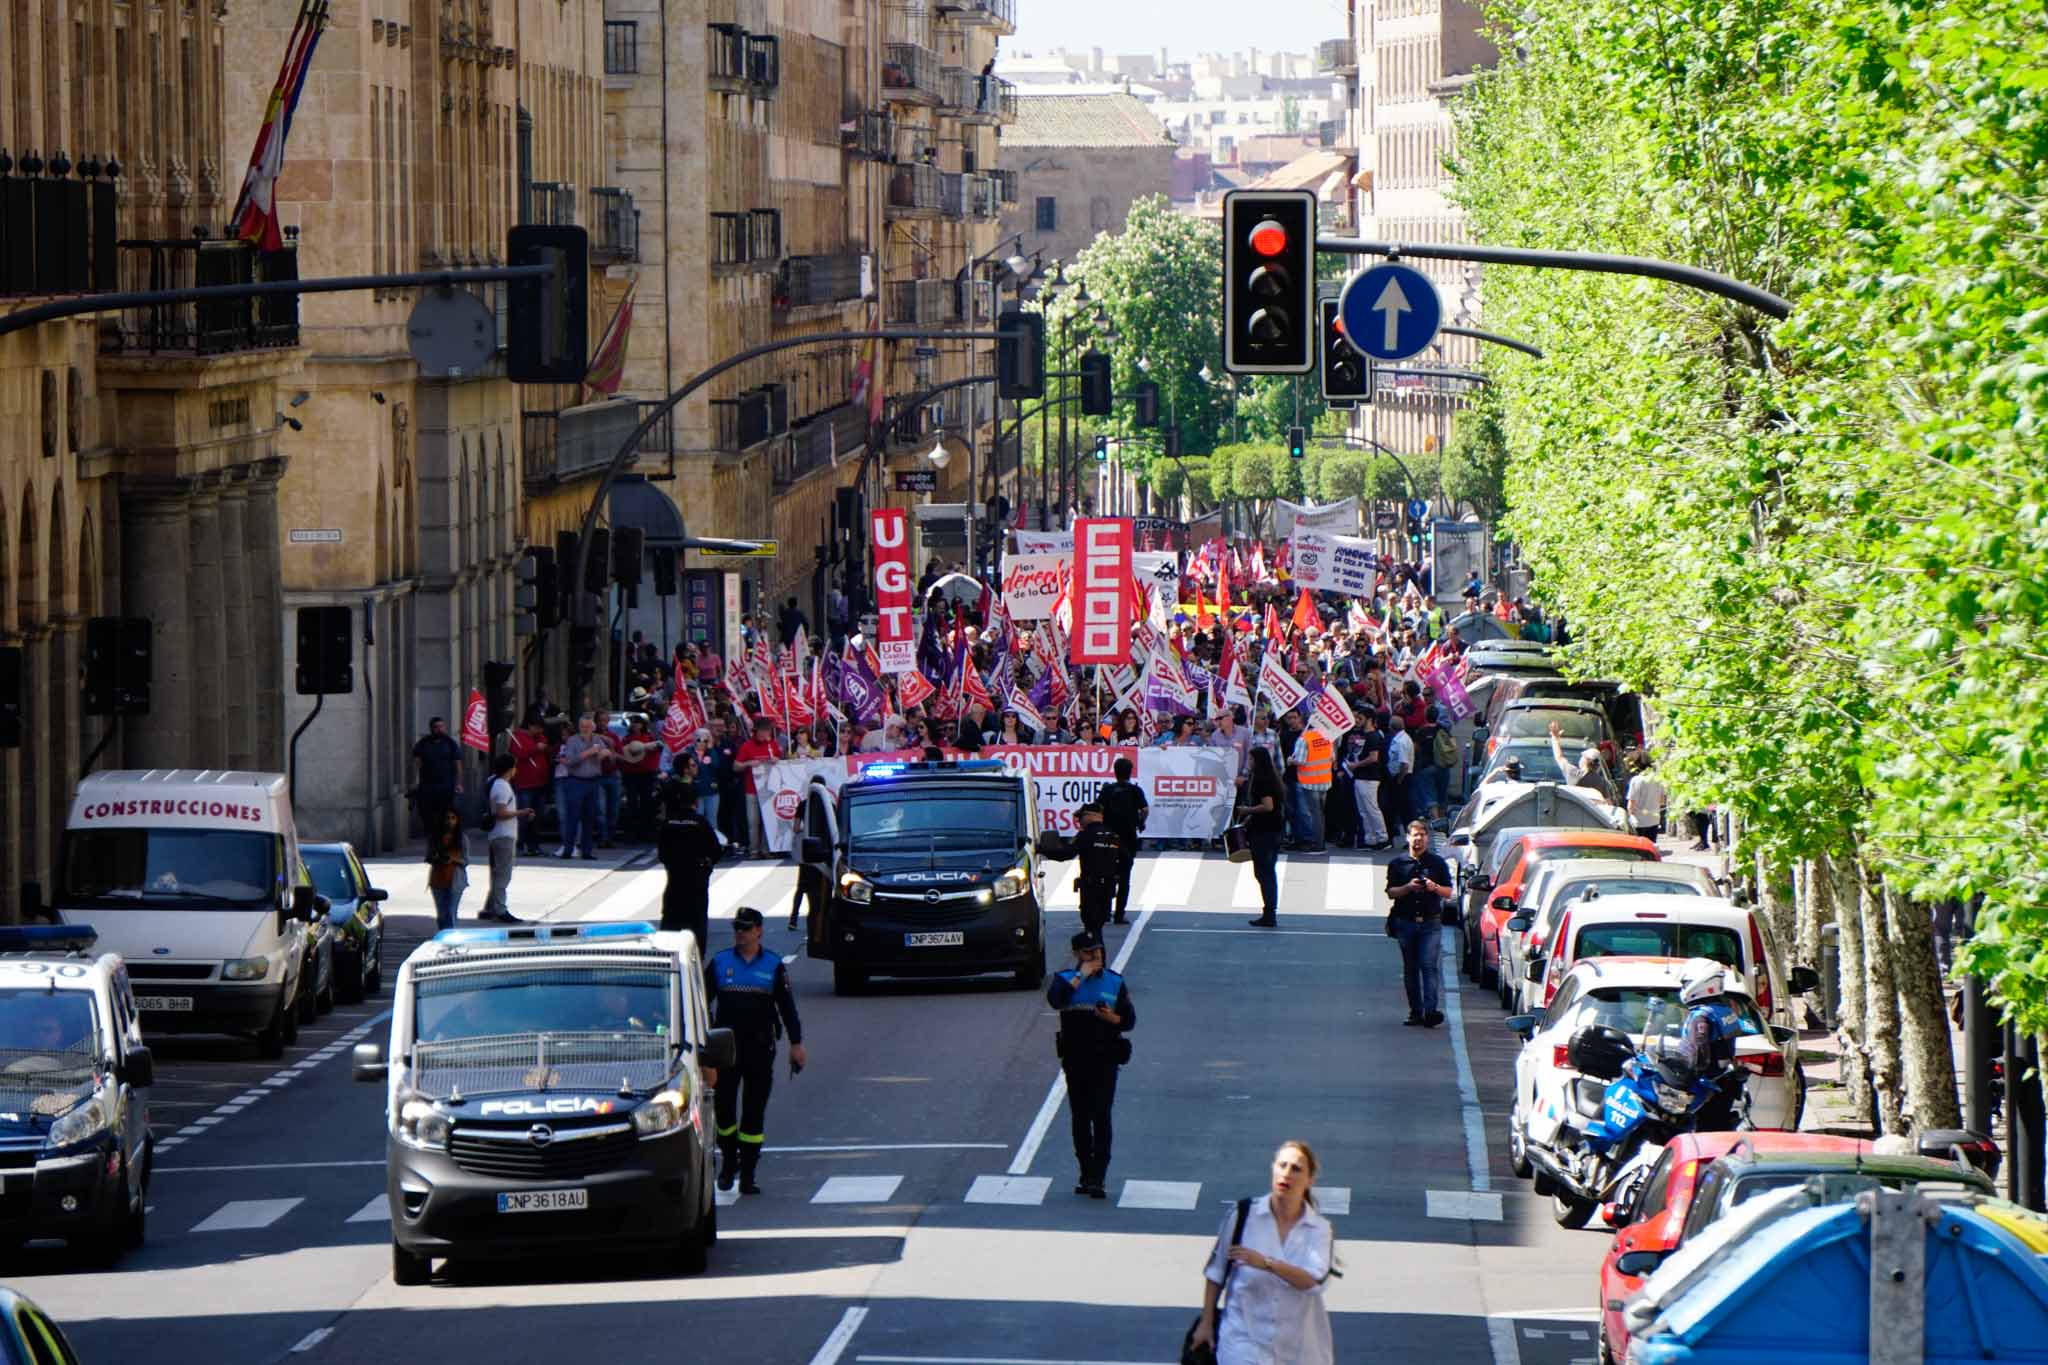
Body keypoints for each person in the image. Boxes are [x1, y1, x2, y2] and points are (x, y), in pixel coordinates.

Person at [1190, 1140, 1336, 1365]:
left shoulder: (1318, 1230)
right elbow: (1216, 1272)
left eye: (1296, 1168)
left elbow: (1313, 1281)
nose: (1286, 1173)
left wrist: (1268, 1263)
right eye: (1282, 1165)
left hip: (1296, 1349)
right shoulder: (1243, 1216)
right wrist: (1206, 1323)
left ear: (1309, 1180)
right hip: (1242, 1342)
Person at [704, 907, 806, 1195]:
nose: (740, 932)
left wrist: (797, 1045)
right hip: (726, 1050)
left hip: (761, 1048)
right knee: (724, 1111)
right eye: (737, 927)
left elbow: (787, 1007)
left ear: (759, 931)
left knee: (753, 1113)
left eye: (746, 928)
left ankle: (748, 1173)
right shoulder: (721, 962)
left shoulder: (773, 965)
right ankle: (728, 1163)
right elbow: (701, 1003)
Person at [1045, 929, 1136, 1198]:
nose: (1096, 956)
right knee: (1081, 1117)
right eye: (1089, 952)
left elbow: (1129, 1021)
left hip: (1105, 1059)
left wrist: (1111, 1019)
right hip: (1075, 1059)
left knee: (1102, 1114)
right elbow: (1056, 1001)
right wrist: (1080, 976)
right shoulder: (1065, 980)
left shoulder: (1114, 982)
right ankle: (1085, 1171)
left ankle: (1099, 1176)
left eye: (1098, 951)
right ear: (1077, 954)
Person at [1385, 820, 1453, 1027]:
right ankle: (1416, 1011)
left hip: (1430, 923)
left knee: (1428, 965)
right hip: (1406, 922)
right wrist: (1408, 887)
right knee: (1411, 968)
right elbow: (1391, 892)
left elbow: (1448, 892)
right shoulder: (1398, 864)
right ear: (1407, 837)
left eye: (1423, 835)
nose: (1419, 838)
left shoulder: (1437, 863)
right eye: (1415, 834)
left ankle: (1431, 1011)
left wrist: (1433, 887)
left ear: (1427, 838)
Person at [1038, 803, 1125, 940]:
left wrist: (1043, 850)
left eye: (1081, 817)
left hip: (1091, 886)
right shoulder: (1113, 834)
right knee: (1099, 925)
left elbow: (1066, 854)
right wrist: (1115, 876)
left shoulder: (1086, 835)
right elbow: (1125, 860)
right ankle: (1098, 956)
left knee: (1091, 927)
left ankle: (1095, 957)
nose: (1079, 821)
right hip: (1108, 886)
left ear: (1091, 816)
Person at [657, 786, 721, 949]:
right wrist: (706, 868)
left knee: (669, 935)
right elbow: (716, 851)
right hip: (696, 885)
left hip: (674, 885)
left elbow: (661, 854)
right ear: (695, 802)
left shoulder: (668, 823)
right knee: (697, 931)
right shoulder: (700, 823)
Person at [1096, 758, 1149, 925]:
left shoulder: (1107, 790)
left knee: (1106, 873)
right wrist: (1140, 821)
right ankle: (1119, 914)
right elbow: (1145, 809)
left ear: (1115, 771)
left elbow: (1098, 808)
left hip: (1109, 836)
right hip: (1128, 837)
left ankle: (1105, 912)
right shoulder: (1135, 791)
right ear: (1130, 772)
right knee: (1125, 876)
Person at [1239, 747, 1287, 927]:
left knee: (1264, 872)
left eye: (1251, 760)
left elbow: (1267, 806)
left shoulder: (1262, 780)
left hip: (1265, 831)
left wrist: (1247, 811)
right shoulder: (1271, 778)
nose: (1249, 763)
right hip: (1272, 828)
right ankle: (1269, 911)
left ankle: (1269, 913)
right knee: (1267, 871)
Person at [481, 753, 529, 922]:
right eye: (514, 766)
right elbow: (500, 812)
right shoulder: (501, 786)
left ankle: (492, 907)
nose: (516, 770)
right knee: (503, 874)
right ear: (509, 769)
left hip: (499, 835)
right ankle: (500, 910)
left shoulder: (495, 782)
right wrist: (521, 812)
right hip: (503, 835)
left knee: (498, 873)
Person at [555, 715, 610, 860]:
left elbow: (605, 752)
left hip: (593, 781)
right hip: (575, 781)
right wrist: (587, 753)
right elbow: (570, 761)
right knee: (572, 817)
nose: (585, 729)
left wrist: (604, 753)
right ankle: (568, 850)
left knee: (589, 817)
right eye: (582, 727)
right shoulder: (572, 740)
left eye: (588, 727)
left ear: (593, 727)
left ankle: (587, 851)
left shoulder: (597, 740)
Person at [733, 718, 783, 858]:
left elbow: (782, 764)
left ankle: (766, 849)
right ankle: (754, 850)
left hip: (769, 790)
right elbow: (736, 766)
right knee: (753, 822)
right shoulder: (747, 746)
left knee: (768, 820)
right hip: (752, 790)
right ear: (756, 731)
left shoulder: (772, 745)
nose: (765, 734)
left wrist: (777, 761)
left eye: (767, 731)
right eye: (763, 731)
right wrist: (748, 763)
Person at [508, 715, 554, 856]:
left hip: (540, 782)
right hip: (525, 784)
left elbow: (547, 749)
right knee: (523, 816)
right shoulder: (517, 737)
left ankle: (534, 845)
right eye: (538, 728)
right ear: (530, 726)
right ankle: (519, 844)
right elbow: (519, 753)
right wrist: (535, 749)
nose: (540, 731)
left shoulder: (540, 737)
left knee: (537, 816)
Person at [411, 718, 463, 840]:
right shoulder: (423, 743)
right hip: (427, 786)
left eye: (441, 727)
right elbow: (416, 764)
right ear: (431, 729)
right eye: (436, 727)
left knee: (445, 814)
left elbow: (458, 765)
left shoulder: (450, 743)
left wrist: (459, 783)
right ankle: (431, 837)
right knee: (426, 814)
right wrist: (414, 782)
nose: (439, 729)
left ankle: (443, 839)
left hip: (446, 786)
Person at [1344, 712, 1389, 850]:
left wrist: (1355, 765)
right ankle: (1371, 839)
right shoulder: (1364, 736)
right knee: (1363, 810)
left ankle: (1382, 838)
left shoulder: (1374, 736)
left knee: (1371, 808)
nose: (1357, 721)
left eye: (1360, 718)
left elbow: (1374, 757)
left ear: (1369, 720)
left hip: (1369, 777)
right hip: (1360, 776)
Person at [425, 807, 471, 931]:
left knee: (451, 913)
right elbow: (428, 857)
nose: (450, 821)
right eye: (447, 818)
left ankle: (451, 942)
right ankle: (443, 938)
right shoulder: (435, 837)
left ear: (457, 820)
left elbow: (466, 860)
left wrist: (453, 859)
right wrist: (435, 857)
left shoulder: (462, 839)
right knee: (441, 915)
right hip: (438, 879)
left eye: (453, 818)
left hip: (455, 880)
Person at [1289, 724, 1333, 853]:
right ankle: (1321, 842)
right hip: (1324, 781)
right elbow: (1332, 757)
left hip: (1309, 781)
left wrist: (1290, 760)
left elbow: (1301, 760)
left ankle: (1317, 845)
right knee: (1320, 814)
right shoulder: (1327, 737)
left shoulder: (1304, 738)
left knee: (1314, 815)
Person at [592, 708, 626, 848]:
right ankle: (602, 838)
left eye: (605, 721)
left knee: (614, 809)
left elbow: (622, 757)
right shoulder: (591, 737)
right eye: (600, 721)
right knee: (600, 809)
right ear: (596, 722)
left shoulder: (614, 737)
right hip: (598, 776)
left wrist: (612, 753)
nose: (603, 724)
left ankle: (610, 838)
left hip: (613, 775)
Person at [1624, 753, 1667, 842]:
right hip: (1654, 819)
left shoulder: (1636, 780)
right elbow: (1662, 801)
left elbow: (1631, 803)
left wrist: (1629, 815)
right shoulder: (1658, 779)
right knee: (1651, 845)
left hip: (1638, 821)